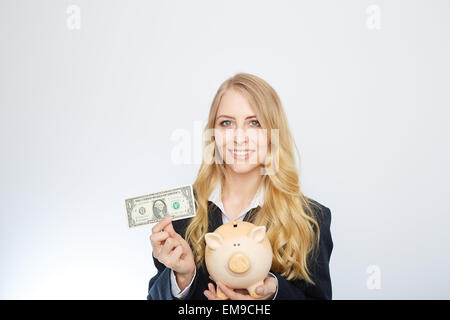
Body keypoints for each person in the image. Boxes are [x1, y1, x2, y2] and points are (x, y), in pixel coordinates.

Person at [147, 72, 333, 300]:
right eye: (227, 123)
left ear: (273, 134)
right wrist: (183, 278)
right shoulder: (180, 213)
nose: (239, 137)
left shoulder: (310, 219)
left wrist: (272, 294)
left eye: (254, 123)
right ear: (213, 134)